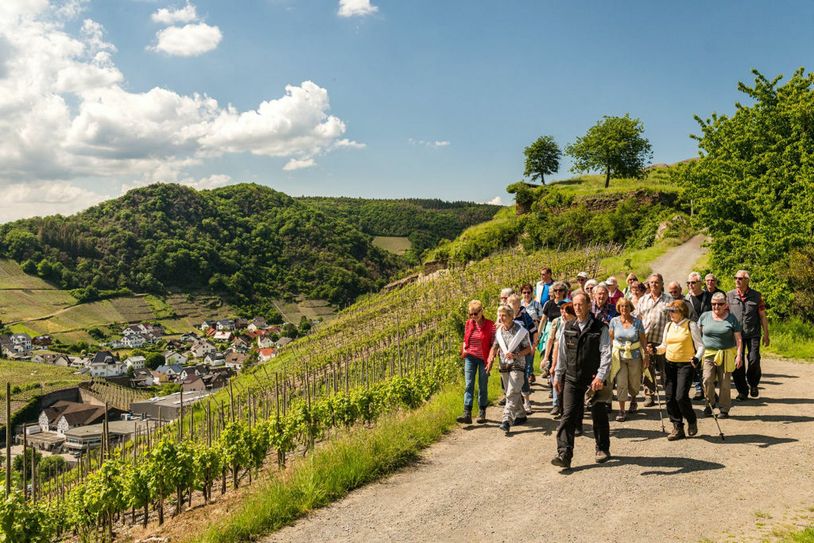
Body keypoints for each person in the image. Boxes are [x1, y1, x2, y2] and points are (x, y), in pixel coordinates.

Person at [551, 293, 612, 469]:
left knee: (598, 413)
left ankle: (602, 448)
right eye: (575, 304)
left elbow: (606, 353)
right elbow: (562, 354)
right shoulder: (568, 326)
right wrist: (557, 375)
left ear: (588, 305)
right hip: (571, 378)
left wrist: (601, 376)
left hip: (593, 380)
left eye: (580, 304)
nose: (577, 307)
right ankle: (564, 454)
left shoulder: (600, 328)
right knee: (567, 415)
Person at [652, 300, 704, 440]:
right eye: (669, 311)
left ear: (682, 311)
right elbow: (663, 346)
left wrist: (697, 358)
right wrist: (655, 350)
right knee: (669, 397)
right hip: (669, 364)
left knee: (680, 396)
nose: (670, 314)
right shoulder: (668, 326)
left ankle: (691, 420)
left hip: (686, 365)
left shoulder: (690, 325)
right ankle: (677, 427)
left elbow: (700, 346)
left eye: (673, 311)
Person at [488, 304, 532, 434]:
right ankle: (521, 415)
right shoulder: (499, 332)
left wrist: (516, 355)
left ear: (511, 316)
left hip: (518, 365)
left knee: (511, 392)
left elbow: (528, 348)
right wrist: (490, 358)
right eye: (499, 315)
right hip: (504, 365)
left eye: (504, 315)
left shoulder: (520, 331)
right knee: (511, 391)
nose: (501, 318)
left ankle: (506, 419)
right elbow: (495, 346)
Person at [698, 292, 743, 418]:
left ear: (725, 305)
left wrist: (739, 355)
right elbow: (697, 336)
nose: (716, 306)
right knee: (707, 379)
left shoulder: (732, 318)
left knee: (724, 383)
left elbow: (739, 339)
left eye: (720, 304)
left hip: (726, 354)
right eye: (713, 304)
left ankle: (724, 409)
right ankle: (710, 404)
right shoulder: (704, 316)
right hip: (708, 353)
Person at [727, 270, 770, 400]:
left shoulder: (757, 296)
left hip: (753, 334)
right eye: (735, 278)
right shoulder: (729, 295)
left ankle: (753, 384)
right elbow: (724, 315)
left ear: (747, 280)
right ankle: (742, 391)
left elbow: (762, 316)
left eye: (740, 278)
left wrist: (766, 335)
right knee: (737, 363)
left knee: (754, 359)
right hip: (735, 335)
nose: (737, 280)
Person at [609, 297, 649, 422]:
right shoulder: (614, 321)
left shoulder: (637, 322)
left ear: (630, 308)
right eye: (621, 306)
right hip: (619, 357)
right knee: (621, 382)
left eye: (626, 306)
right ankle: (622, 410)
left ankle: (633, 399)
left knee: (634, 381)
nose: (624, 309)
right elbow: (611, 340)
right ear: (618, 308)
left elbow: (643, 340)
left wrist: (646, 355)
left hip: (635, 356)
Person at [457, 300, 497, 424]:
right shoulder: (469, 323)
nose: (473, 317)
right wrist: (464, 350)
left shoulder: (490, 325)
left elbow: (493, 344)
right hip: (470, 357)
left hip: (483, 358)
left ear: (481, 311)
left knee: (482, 385)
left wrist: (491, 359)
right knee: (469, 384)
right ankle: (467, 413)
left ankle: (482, 411)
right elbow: (465, 338)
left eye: (476, 314)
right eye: (471, 314)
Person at [638, 273, 672, 407]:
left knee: (665, 369)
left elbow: (673, 319)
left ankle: (669, 395)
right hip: (646, 339)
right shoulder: (643, 300)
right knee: (647, 369)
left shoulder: (669, 299)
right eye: (651, 282)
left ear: (662, 283)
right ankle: (649, 395)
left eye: (657, 282)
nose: (654, 285)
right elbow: (638, 318)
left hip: (663, 340)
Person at [545, 302, 576, 419]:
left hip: (574, 364)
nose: (563, 315)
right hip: (562, 362)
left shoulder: (578, 326)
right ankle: (563, 415)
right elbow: (557, 346)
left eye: (566, 313)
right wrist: (553, 365)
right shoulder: (563, 326)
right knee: (561, 390)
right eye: (562, 312)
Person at [509, 294, 536, 414]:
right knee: (511, 377)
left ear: (519, 304)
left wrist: (534, 346)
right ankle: (515, 403)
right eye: (511, 303)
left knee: (524, 377)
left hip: (524, 352)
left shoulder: (525, 317)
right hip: (510, 353)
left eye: (515, 303)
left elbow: (533, 331)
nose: (513, 305)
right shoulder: (505, 317)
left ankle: (527, 402)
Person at [538, 281, 568, 378]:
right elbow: (543, 319)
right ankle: (549, 373)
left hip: (563, 329)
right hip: (550, 329)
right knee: (549, 351)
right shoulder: (549, 304)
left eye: (560, 290)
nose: (558, 292)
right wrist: (538, 334)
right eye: (555, 290)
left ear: (564, 291)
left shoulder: (568, 303)